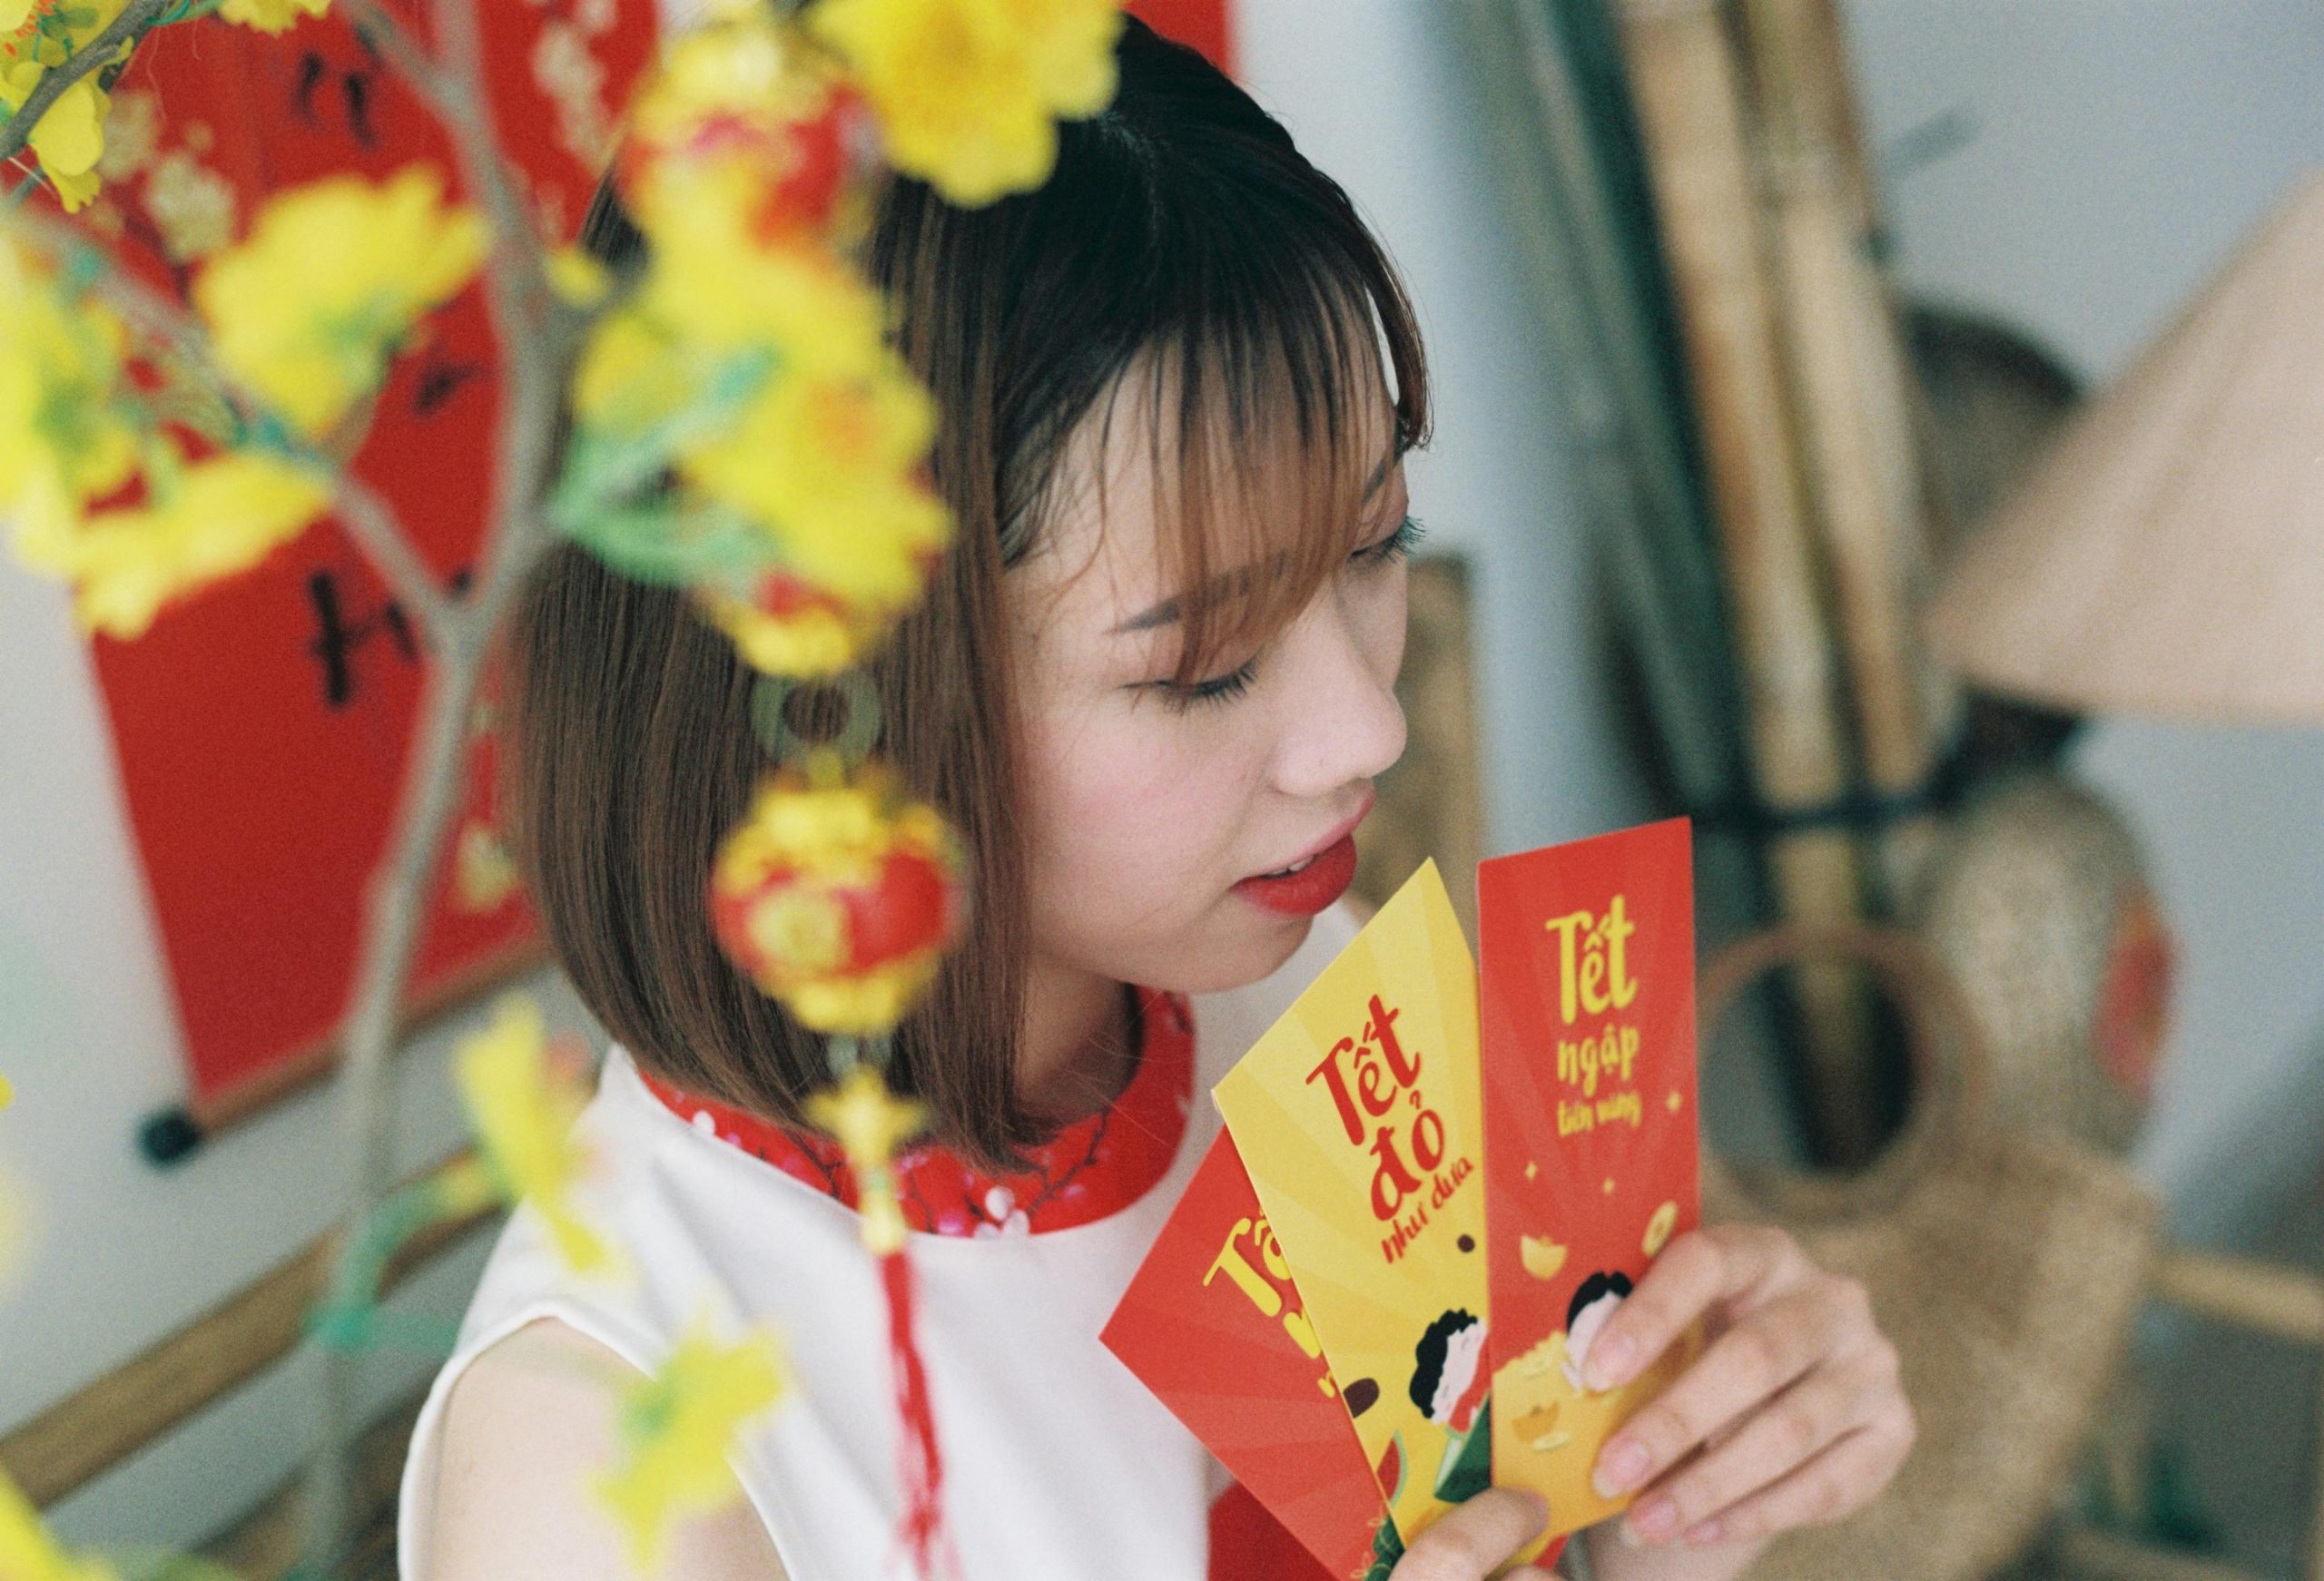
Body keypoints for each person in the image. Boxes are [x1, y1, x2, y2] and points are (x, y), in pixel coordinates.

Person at [398, 15, 1915, 1581]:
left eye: (1375, 545)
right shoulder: (606, 1468)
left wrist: (1688, 1498)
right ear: (820, 703)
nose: (1366, 729)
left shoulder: (1307, 1007)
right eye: (1200, 662)